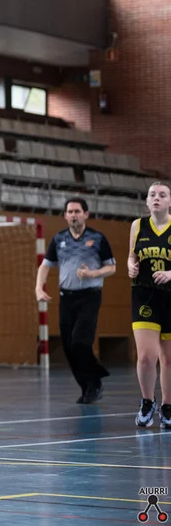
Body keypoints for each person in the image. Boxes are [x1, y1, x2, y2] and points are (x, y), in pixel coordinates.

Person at [35, 197, 115, 404]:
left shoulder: (97, 238)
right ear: (65, 216)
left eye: (77, 211)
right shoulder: (58, 239)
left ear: (85, 214)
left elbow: (111, 267)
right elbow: (45, 265)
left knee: (80, 341)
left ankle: (95, 380)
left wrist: (93, 274)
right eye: (70, 212)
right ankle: (87, 386)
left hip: (89, 297)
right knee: (69, 346)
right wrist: (38, 288)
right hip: (66, 298)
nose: (73, 215)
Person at [128, 182, 171, 429]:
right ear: (146, 201)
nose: (156, 198)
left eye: (162, 195)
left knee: (168, 359)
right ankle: (147, 401)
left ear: (169, 201)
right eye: (152, 195)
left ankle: (168, 406)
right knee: (146, 356)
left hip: (170, 296)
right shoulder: (137, 226)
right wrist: (130, 266)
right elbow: (132, 256)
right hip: (144, 294)